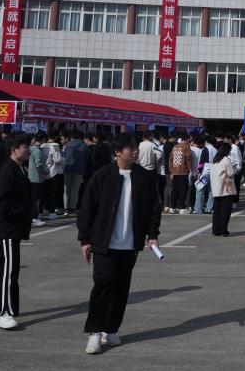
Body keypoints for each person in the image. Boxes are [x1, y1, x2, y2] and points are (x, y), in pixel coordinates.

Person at [77, 132, 162, 354]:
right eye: (130, 148)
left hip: (130, 243)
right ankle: (95, 332)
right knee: (103, 285)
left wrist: (152, 233)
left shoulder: (144, 177)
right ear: (117, 152)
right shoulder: (102, 176)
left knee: (121, 288)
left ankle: (111, 328)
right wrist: (85, 239)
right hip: (104, 243)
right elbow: (87, 208)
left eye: (135, 148)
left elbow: (154, 208)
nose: (135, 151)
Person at [0, 132, 34, 329]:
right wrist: (24, 211)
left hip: (10, 227)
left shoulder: (18, 168)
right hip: (7, 228)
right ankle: (5, 312)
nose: (28, 150)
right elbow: (1, 201)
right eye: (25, 147)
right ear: (14, 150)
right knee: (9, 269)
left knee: (1, 266)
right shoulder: (8, 170)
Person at [208, 143, 236, 236]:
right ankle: (224, 230)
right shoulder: (226, 160)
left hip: (216, 189)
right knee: (226, 211)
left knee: (217, 211)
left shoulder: (215, 160)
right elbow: (230, 173)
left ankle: (216, 230)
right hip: (225, 189)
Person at [164, 134, 192, 215]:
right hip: (183, 172)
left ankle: (173, 207)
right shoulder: (186, 147)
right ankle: (182, 208)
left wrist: (171, 171)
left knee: (174, 190)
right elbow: (188, 159)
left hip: (174, 172)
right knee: (183, 190)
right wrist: (190, 169)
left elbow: (170, 160)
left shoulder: (175, 147)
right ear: (187, 139)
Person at [63, 130, 87, 215]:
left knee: (66, 190)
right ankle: (72, 208)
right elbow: (86, 158)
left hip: (67, 168)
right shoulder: (84, 146)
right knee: (75, 190)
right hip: (79, 170)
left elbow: (63, 156)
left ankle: (66, 208)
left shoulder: (67, 145)